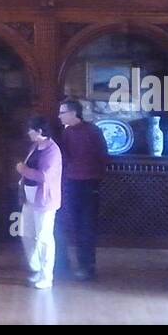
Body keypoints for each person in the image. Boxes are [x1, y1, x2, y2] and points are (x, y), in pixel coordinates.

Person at [55, 98, 109, 281]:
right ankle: (66, 264)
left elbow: (103, 157)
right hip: (71, 184)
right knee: (72, 225)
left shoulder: (93, 131)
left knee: (87, 227)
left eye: (62, 112)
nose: (59, 116)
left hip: (89, 184)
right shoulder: (66, 133)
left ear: (72, 113)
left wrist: (96, 178)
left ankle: (87, 266)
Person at [15, 116, 62, 290]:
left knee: (44, 238)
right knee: (25, 233)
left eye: (31, 129)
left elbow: (44, 176)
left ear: (40, 131)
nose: (28, 132)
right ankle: (36, 267)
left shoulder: (52, 151)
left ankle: (46, 275)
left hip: (44, 199)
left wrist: (23, 170)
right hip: (29, 197)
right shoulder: (35, 146)